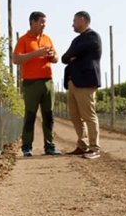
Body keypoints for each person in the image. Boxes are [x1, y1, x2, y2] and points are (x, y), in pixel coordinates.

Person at [12, 11, 61, 157]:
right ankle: (26, 147)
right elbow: (16, 59)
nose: (44, 25)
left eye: (44, 22)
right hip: (31, 83)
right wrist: (36, 54)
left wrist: (52, 57)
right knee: (30, 115)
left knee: (49, 115)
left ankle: (50, 146)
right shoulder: (23, 40)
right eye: (41, 22)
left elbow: (56, 58)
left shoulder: (47, 39)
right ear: (32, 22)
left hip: (47, 81)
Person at [61, 10, 103, 159]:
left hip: (85, 81)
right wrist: (72, 56)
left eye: (74, 21)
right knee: (74, 116)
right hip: (73, 82)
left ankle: (94, 148)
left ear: (82, 20)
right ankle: (82, 145)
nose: (72, 24)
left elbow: (75, 52)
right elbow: (65, 57)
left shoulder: (92, 37)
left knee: (88, 115)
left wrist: (74, 55)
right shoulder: (77, 40)